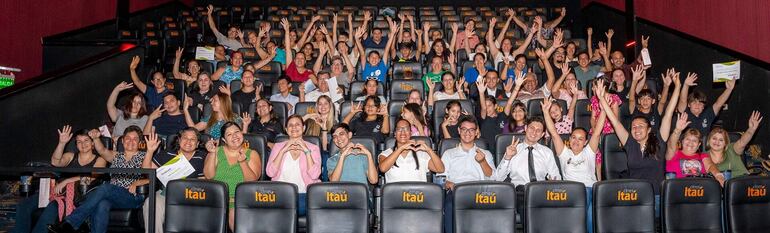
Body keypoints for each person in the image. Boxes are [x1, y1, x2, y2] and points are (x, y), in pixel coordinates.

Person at [598, 76, 680, 216]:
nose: (636, 129)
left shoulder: (659, 141)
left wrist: (677, 86)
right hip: (635, 196)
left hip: (657, 198)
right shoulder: (630, 143)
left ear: (649, 130)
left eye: (640, 126)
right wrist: (601, 99)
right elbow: (615, 122)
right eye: (634, 127)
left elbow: (668, 113)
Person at [48, 126, 148, 233]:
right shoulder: (116, 155)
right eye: (128, 138)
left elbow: (156, 176)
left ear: (140, 142)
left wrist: (140, 182)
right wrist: (95, 138)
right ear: (122, 141)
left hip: (131, 197)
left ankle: (69, 223)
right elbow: (102, 150)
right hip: (113, 197)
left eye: (135, 139)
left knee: (106, 187)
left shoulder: (145, 156)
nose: (131, 141)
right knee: (102, 204)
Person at [13, 126, 106, 233]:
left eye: (86, 141)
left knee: (52, 207)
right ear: (76, 144)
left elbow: (92, 176)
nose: (83, 144)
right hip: (56, 191)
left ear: (93, 143)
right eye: (79, 141)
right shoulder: (70, 156)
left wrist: (67, 181)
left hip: (77, 196)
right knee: (24, 205)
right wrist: (62, 143)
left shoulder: (100, 159)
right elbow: (55, 162)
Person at [543, 97, 605, 233]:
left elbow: (597, 131)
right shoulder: (564, 153)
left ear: (585, 142)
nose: (576, 141)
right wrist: (546, 112)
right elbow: (553, 133)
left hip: (589, 190)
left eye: (580, 139)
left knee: (589, 218)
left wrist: (603, 104)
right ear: (569, 139)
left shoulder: (589, 152)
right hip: (570, 192)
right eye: (574, 137)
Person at [141, 128, 207, 233]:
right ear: (179, 140)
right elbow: (146, 171)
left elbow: (204, 183)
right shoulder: (167, 154)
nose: (188, 142)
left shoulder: (202, 157)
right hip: (166, 194)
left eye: (192, 139)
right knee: (151, 202)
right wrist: (149, 151)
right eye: (185, 138)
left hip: (190, 196)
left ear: (198, 143)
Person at [440, 116, 495, 233]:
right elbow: (441, 179)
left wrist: (482, 161)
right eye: (464, 129)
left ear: (476, 132)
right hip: (457, 191)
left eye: (471, 130)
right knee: (449, 205)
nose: (467, 133)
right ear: (459, 131)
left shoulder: (485, 153)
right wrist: (450, 184)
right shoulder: (449, 154)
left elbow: (493, 178)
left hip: (480, 193)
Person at [203, 122, 261, 231]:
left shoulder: (252, 154)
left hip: (240, 200)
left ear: (242, 133)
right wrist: (212, 153)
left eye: (237, 132)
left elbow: (252, 180)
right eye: (229, 134)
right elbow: (209, 176)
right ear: (224, 140)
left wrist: (243, 162)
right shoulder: (216, 151)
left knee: (234, 214)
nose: (234, 136)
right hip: (217, 199)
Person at [266, 115, 322, 216]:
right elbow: (270, 173)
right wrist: (282, 151)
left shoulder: (313, 148)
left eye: (297, 124)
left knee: (288, 210)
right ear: (286, 130)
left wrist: (306, 151)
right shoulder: (278, 146)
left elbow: (315, 175)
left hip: (303, 194)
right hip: (279, 193)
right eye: (290, 125)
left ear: (303, 128)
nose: (294, 127)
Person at [495, 117, 562, 185]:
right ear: (526, 128)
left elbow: (556, 177)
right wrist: (507, 157)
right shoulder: (513, 150)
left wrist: (553, 181)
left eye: (538, 130)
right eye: (532, 128)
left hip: (539, 191)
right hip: (518, 192)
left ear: (542, 135)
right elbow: (498, 178)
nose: (534, 132)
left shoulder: (547, 152)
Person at [379, 119, 445, 183]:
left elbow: (440, 169)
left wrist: (429, 150)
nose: (403, 132)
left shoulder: (420, 153)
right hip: (395, 193)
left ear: (411, 133)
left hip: (417, 193)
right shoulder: (386, 153)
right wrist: (401, 148)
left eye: (406, 129)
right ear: (395, 134)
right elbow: (383, 168)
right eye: (399, 129)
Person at [706, 111, 763, 180]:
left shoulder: (731, 149)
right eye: (714, 138)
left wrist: (751, 129)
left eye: (721, 140)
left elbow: (742, 142)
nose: (717, 142)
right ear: (709, 140)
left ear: (726, 143)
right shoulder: (703, 156)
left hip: (742, 183)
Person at [665, 114, 716, 179]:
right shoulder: (674, 154)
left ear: (699, 145)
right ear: (682, 141)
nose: (690, 142)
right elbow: (671, 145)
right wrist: (677, 130)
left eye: (694, 141)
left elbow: (710, 166)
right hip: (677, 187)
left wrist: (718, 175)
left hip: (699, 187)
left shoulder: (703, 156)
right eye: (688, 139)